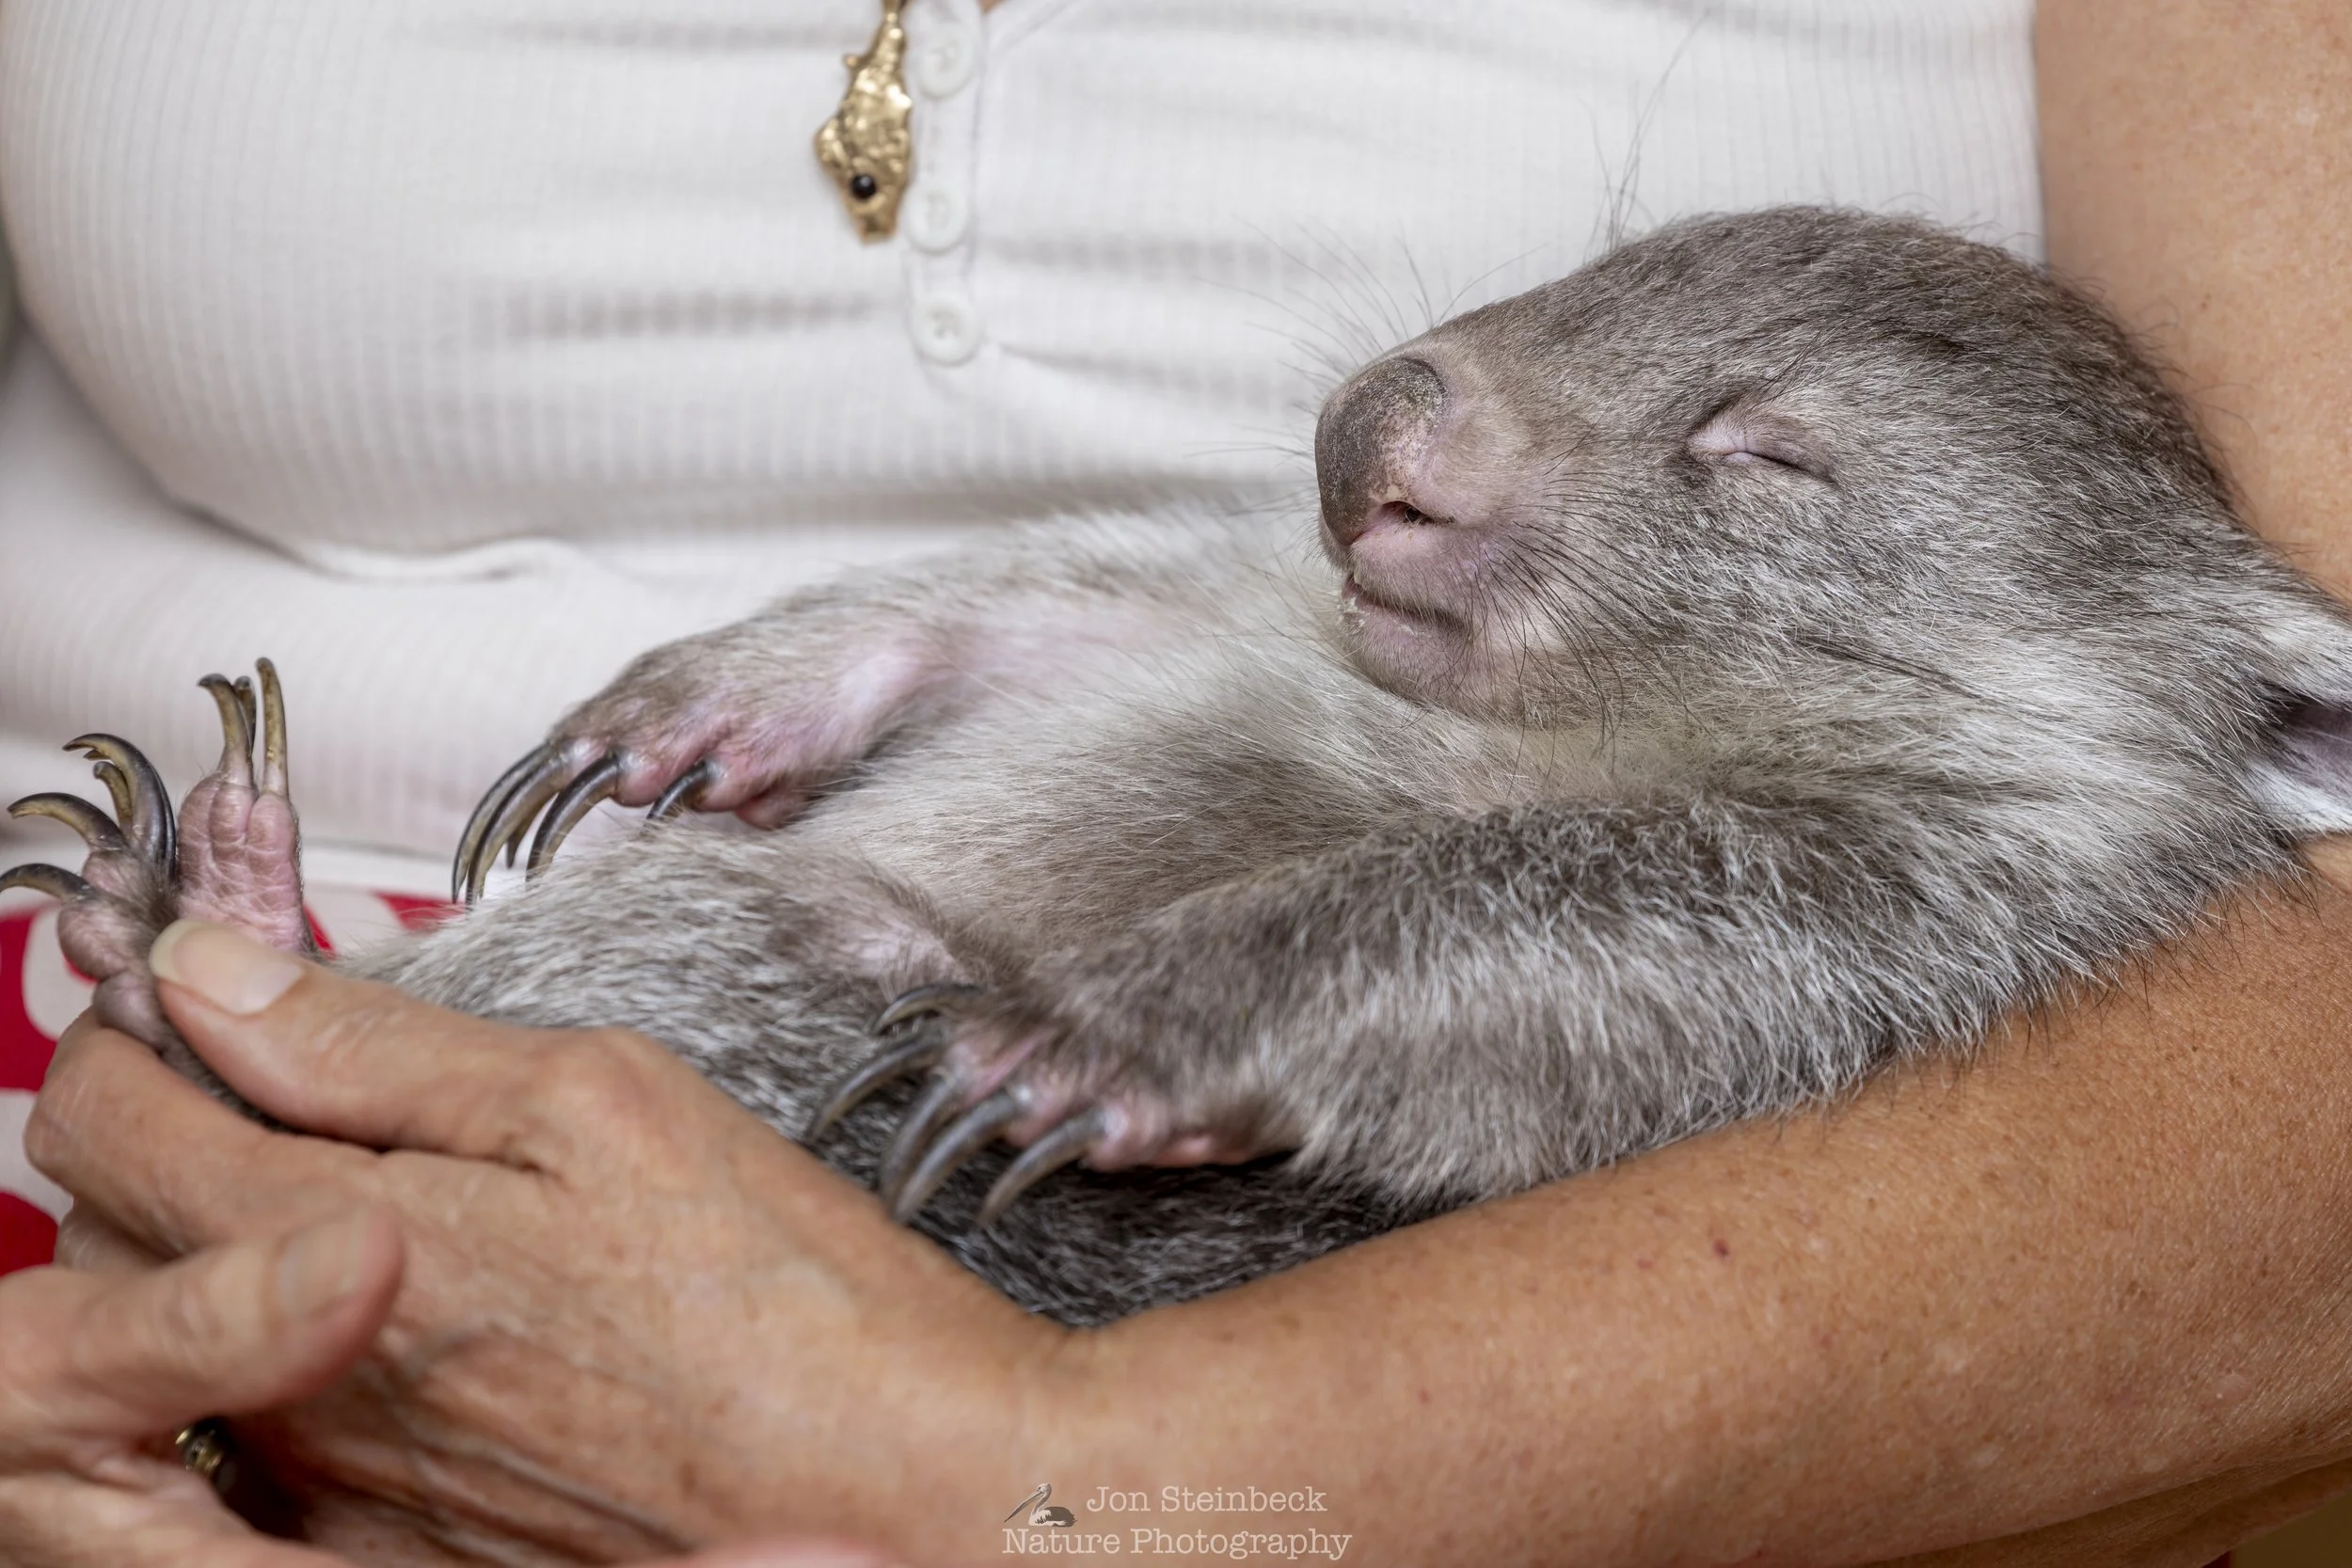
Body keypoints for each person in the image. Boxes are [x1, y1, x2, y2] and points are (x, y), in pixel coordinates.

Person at [6, 0, 2352, 1563]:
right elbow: (1181, 609)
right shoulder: (1406, 605)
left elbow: (1589, 965)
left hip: (1316, 1383)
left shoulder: (1990, 792)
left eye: (1755, 462)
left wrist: (1076, 1497)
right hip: (127, 1190)